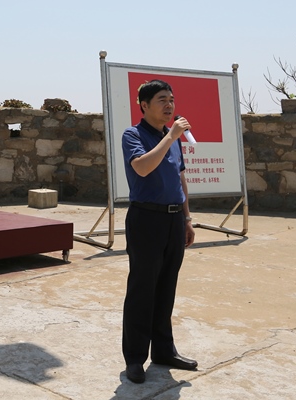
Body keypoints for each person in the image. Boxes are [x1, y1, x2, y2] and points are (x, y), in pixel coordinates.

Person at [121, 79, 197, 384]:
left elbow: (180, 179)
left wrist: (187, 218)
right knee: (143, 289)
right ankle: (135, 358)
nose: (169, 105)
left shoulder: (172, 137)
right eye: (162, 100)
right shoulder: (133, 135)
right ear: (144, 105)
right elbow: (142, 167)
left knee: (166, 287)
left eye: (172, 100)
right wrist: (171, 136)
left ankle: (164, 350)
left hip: (173, 220)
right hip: (146, 220)